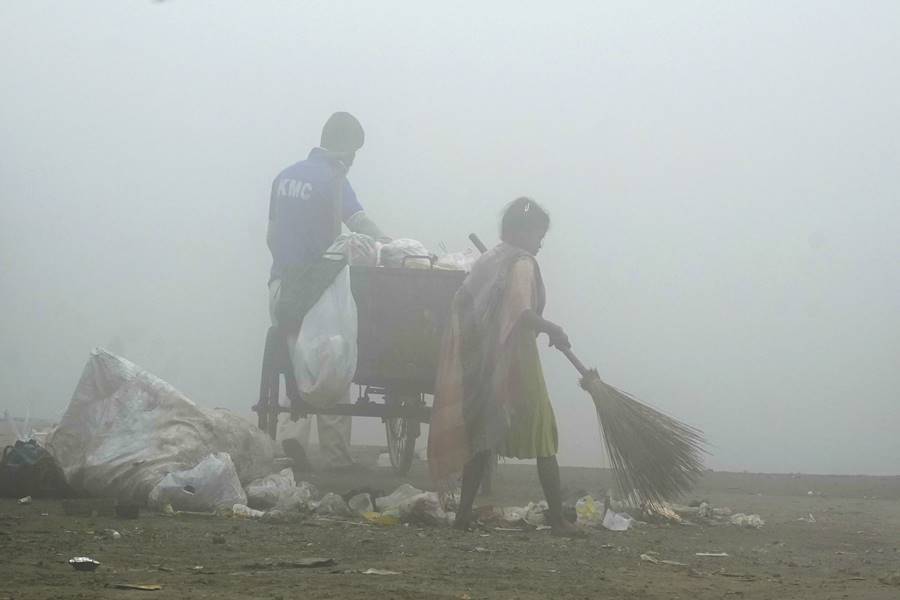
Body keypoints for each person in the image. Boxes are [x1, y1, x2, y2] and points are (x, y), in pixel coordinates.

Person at [427, 197, 581, 536]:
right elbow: (520, 314)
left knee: (483, 436)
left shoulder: (492, 258)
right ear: (522, 232)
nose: (541, 242)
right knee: (543, 431)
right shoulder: (521, 263)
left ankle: (462, 516)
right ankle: (558, 520)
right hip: (515, 360)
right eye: (538, 234)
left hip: (485, 361)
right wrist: (553, 328)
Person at [267, 112, 386, 470]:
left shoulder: (283, 176)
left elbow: (271, 237)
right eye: (354, 153)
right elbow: (359, 223)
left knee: (295, 358)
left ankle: (291, 437)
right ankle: (335, 456)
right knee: (332, 358)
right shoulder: (333, 178)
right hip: (318, 288)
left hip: (282, 286)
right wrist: (390, 244)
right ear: (346, 150)